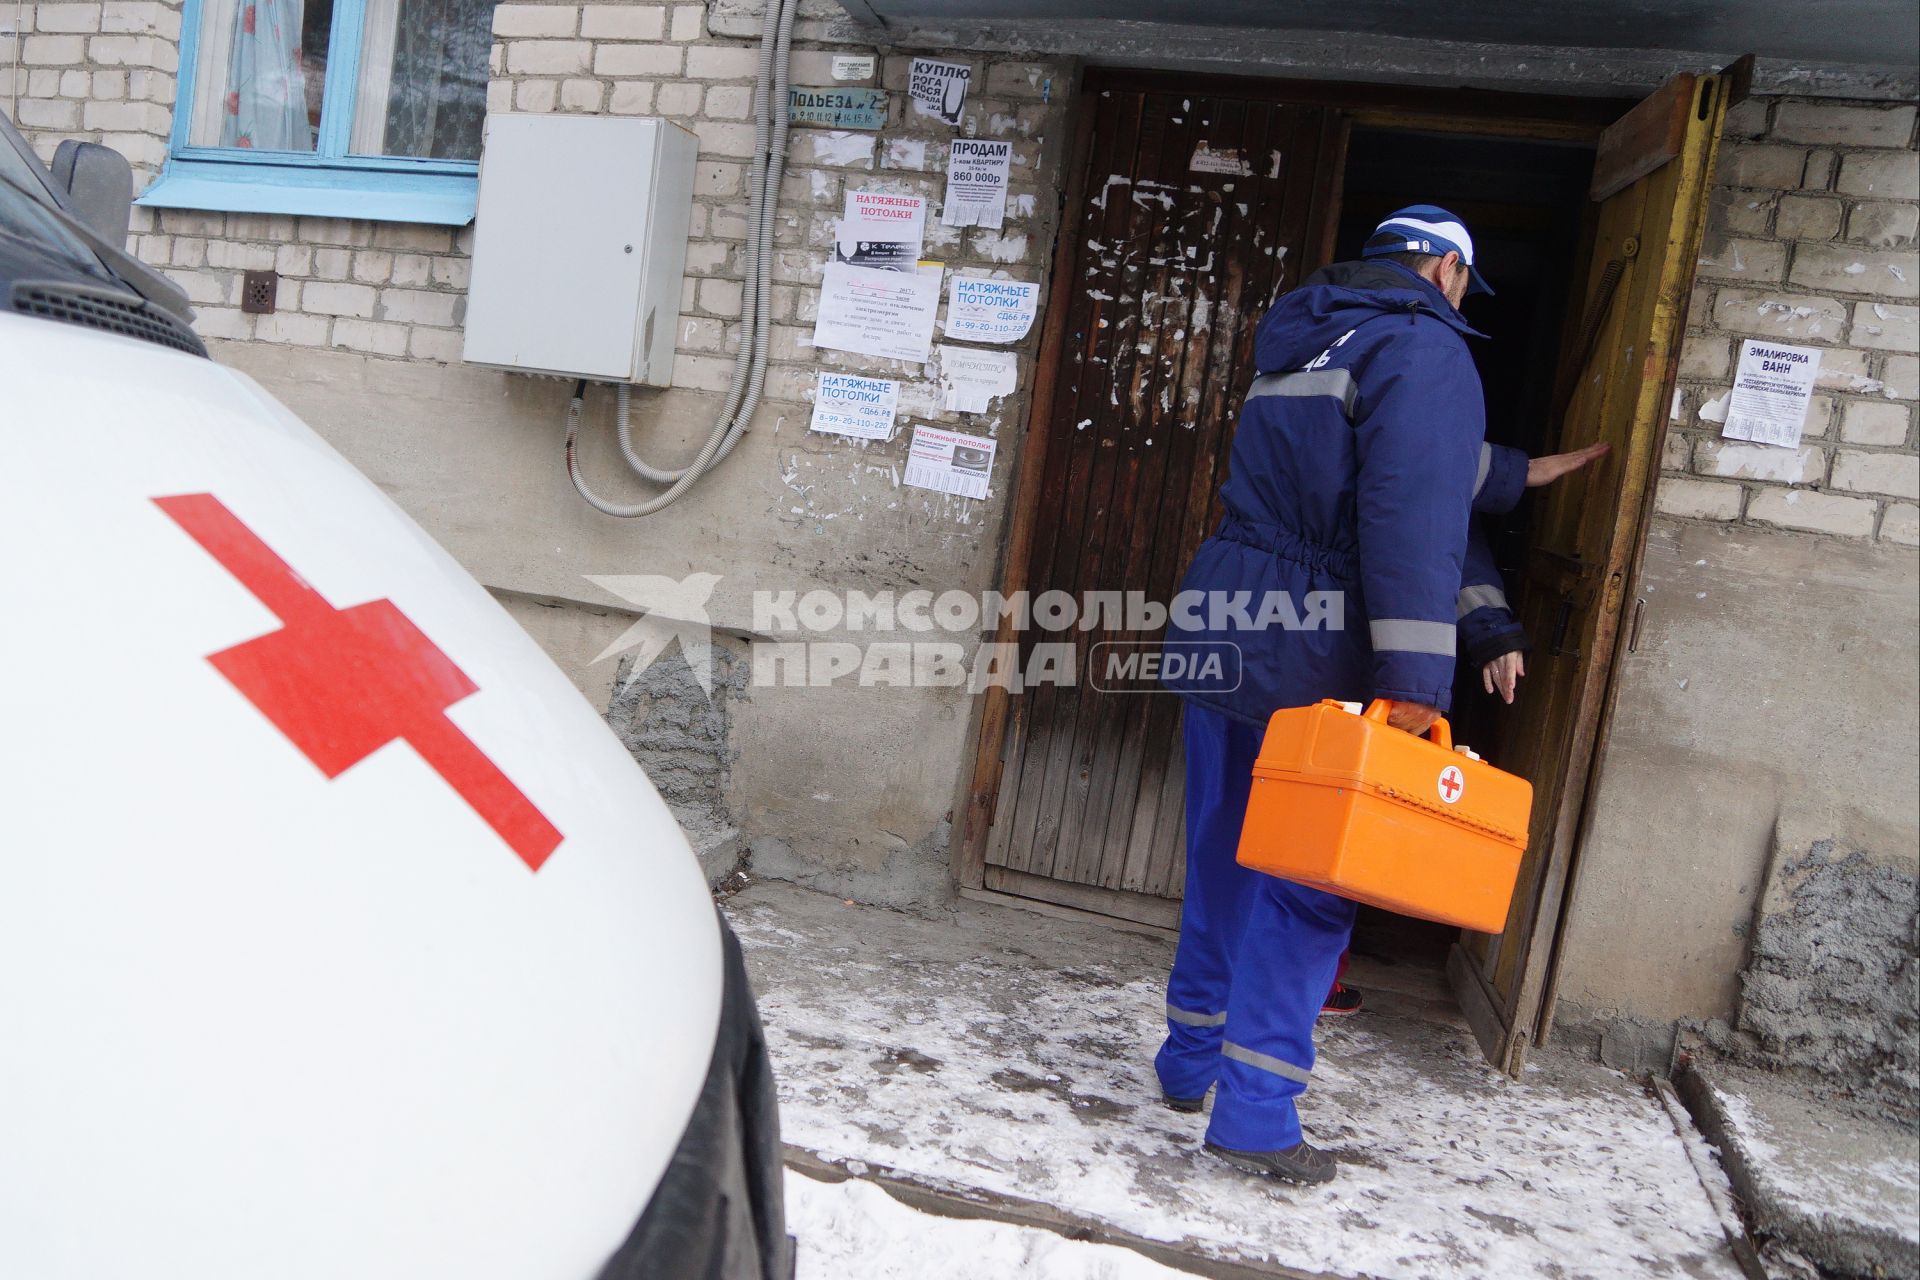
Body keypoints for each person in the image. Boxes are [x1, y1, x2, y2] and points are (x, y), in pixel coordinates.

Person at [1155, 205, 1606, 1184]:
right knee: (1314, 886)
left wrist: (1521, 472)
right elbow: (1407, 510)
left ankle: (1189, 1055)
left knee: (1222, 849)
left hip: (1225, 616)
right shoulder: (1428, 350)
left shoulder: (1308, 330)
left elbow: (1386, 461)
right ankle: (1258, 1114)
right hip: (1314, 641)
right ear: (1446, 269)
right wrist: (1411, 682)